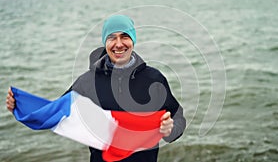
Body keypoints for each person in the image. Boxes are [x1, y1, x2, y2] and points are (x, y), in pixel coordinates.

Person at [6, 15, 186, 162]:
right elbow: (55, 112)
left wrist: (169, 130)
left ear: (133, 40)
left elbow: (177, 117)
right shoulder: (87, 82)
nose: (118, 44)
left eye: (125, 36)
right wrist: (20, 106)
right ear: (104, 42)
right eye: (111, 38)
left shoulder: (153, 78)